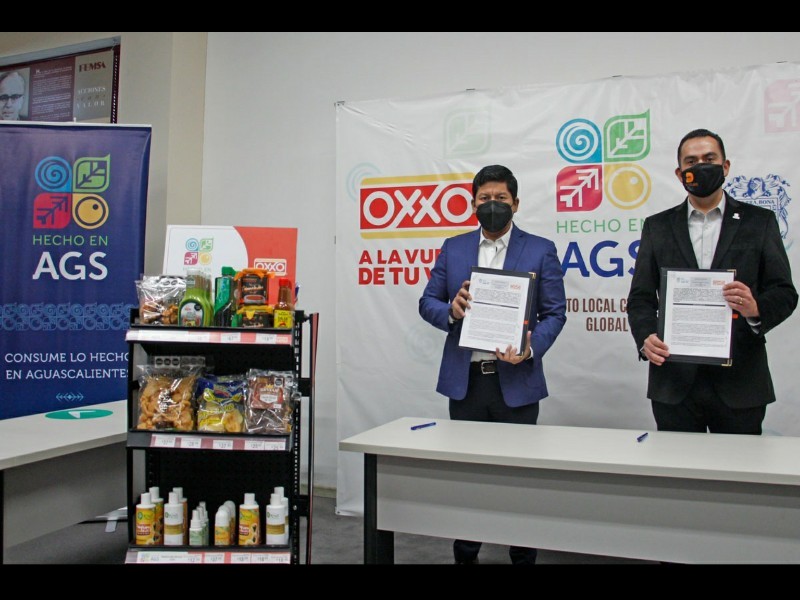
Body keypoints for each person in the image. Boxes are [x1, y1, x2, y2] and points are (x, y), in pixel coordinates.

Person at [419, 164, 567, 564]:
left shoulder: (540, 249)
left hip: (517, 381)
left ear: (515, 204)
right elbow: (427, 302)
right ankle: (466, 555)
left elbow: (555, 313)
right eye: (484, 198)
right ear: (473, 204)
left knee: (519, 481)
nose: (492, 205)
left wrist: (530, 348)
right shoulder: (454, 247)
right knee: (469, 479)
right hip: (467, 383)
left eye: (501, 198)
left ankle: (523, 557)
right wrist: (451, 311)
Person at [627, 128, 797, 435]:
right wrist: (645, 337)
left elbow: (784, 292)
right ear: (680, 173)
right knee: (677, 465)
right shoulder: (657, 226)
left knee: (740, 465)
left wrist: (755, 308)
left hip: (741, 382)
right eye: (691, 161)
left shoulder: (759, 222)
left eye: (709, 158)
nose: (701, 166)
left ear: (725, 166)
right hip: (674, 382)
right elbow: (640, 297)